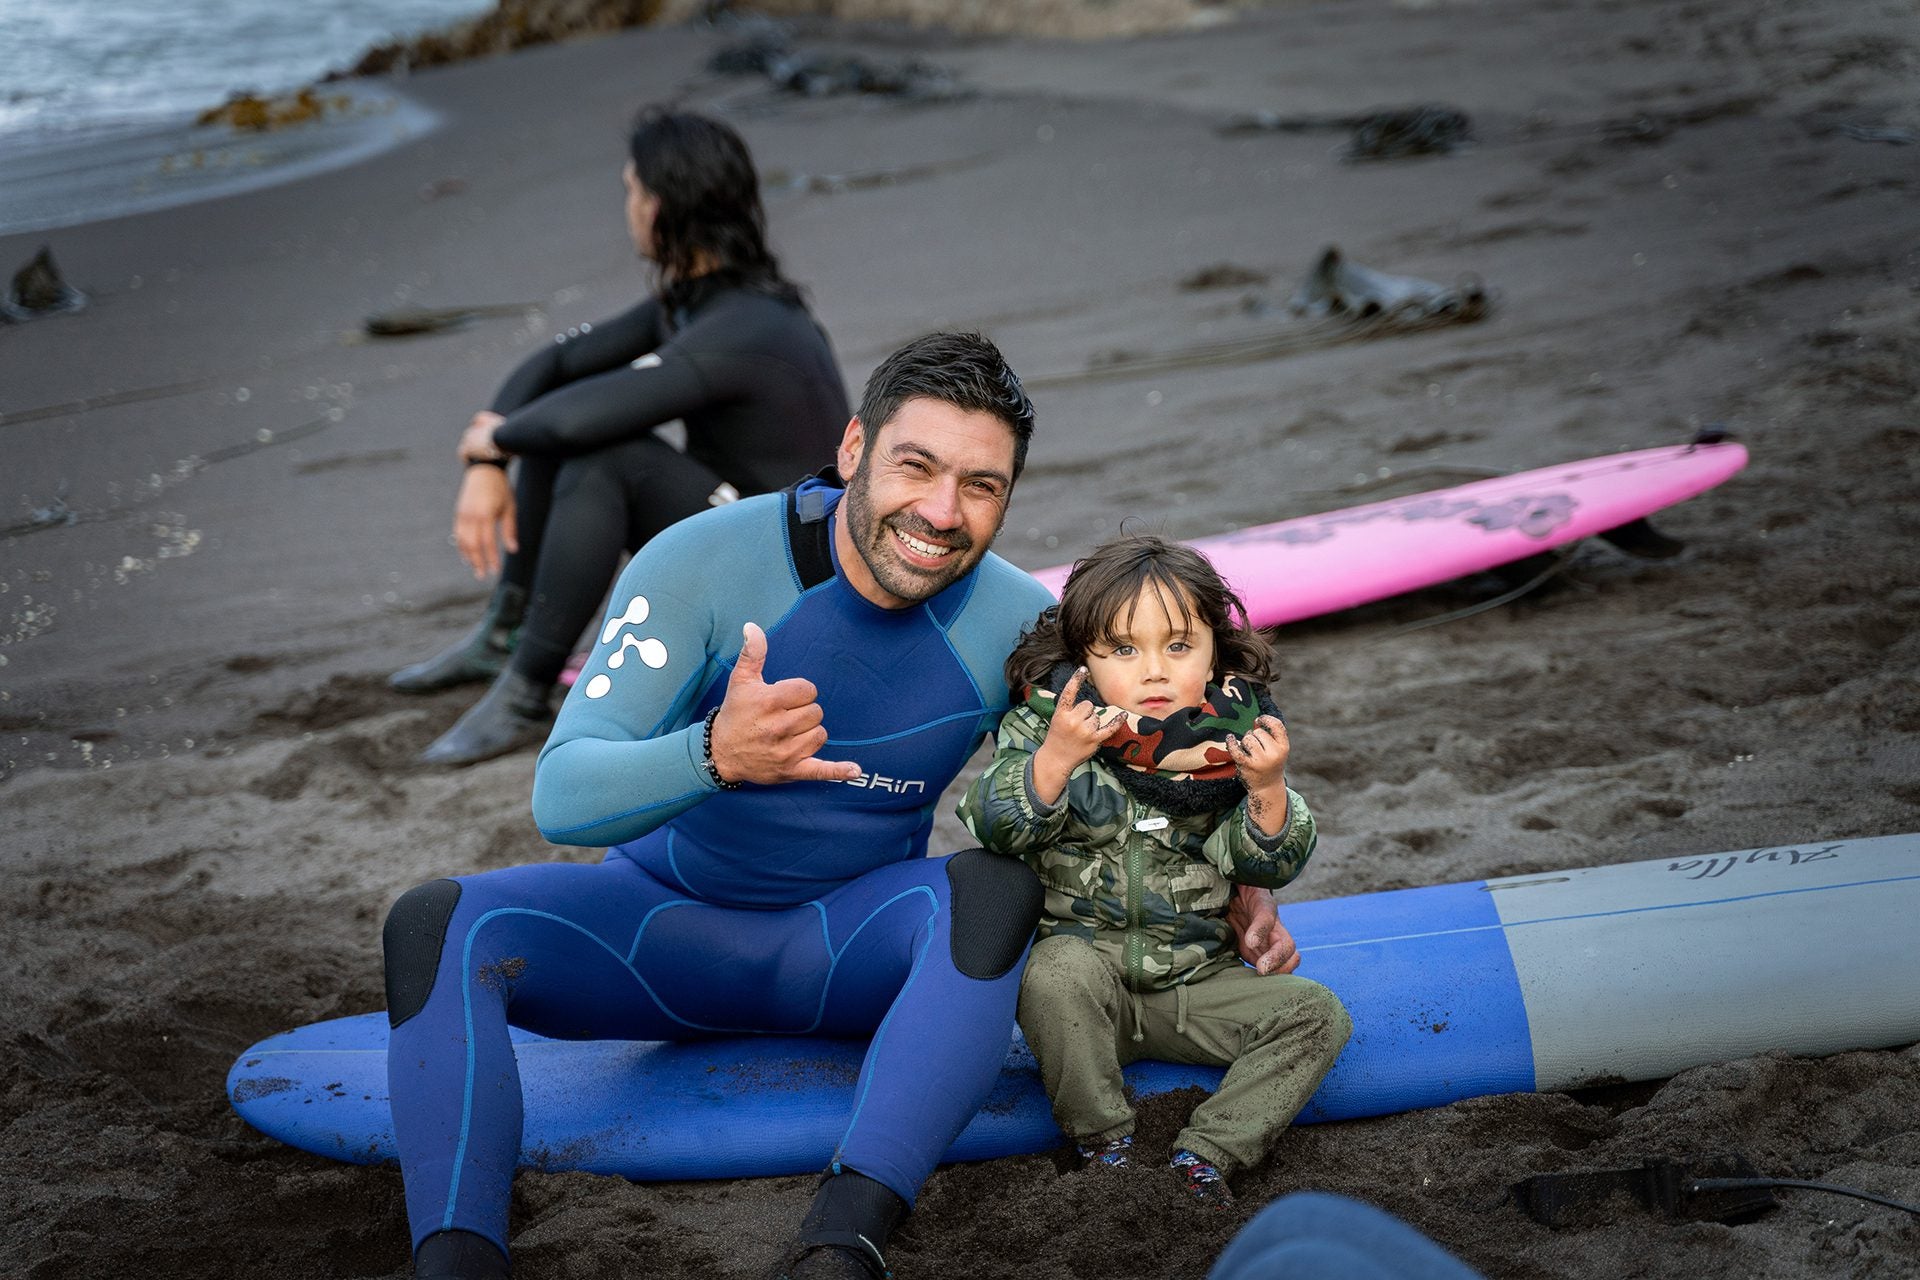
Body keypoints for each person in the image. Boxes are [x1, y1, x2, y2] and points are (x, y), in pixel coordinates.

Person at [379, 332, 1061, 1280]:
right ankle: (457, 1262)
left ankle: (844, 1241)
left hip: (850, 950)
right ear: (856, 448)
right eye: (918, 466)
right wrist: (714, 754)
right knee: (438, 926)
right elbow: (562, 792)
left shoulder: (1017, 621)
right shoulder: (704, 561)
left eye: (981, 486)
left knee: (991, 891)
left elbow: (1129, 765)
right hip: (661, 934)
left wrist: (1236, 881)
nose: (942, 512)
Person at [390, 107, 849, 766]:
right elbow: (555, 365)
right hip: (749, 530)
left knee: (603, 455)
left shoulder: (747, 328)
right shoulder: (697, 303)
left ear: (662, 206)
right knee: (562, 436)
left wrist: (490, 446)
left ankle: (525, 692)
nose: (628, 206)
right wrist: (488, 465)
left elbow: (581, 418)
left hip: (795, 580)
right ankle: (506, 634)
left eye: (632, 190)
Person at [958, 534, 1352, 1207]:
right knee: (1053, 973)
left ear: (1215, 653)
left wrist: (1268, 790)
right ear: (1082, 656)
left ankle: (1207, 1155)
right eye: (1122, 649)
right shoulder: (1048, 727)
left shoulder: (1231, 741)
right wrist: (1055, 759)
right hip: (1088, 995)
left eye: (1178, 646)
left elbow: (1267, 863)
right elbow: (994, 826)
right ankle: (1104, 1141)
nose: (1154, 672)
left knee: (1317, 1015)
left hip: (1193, 984)